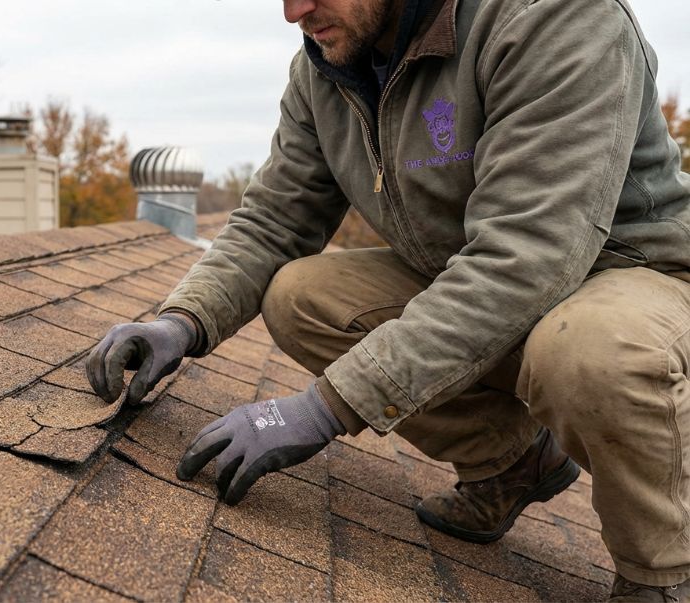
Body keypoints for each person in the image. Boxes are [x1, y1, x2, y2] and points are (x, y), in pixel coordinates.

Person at [86, 0, 690, 600]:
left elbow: (526, 256)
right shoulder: (330, 63)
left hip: (636, 278)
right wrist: (182, 320)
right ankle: (511, 464)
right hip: (487, 282)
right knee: (302, 294)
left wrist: (325, 407)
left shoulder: (554, 18)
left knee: (591, 351)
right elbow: (274, 219)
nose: (295, 12)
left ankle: (661, 576)